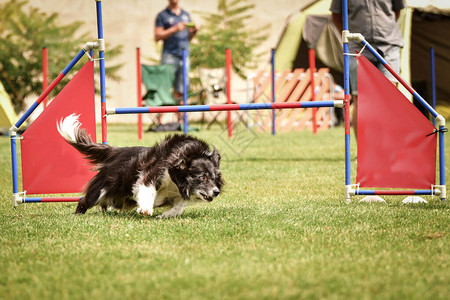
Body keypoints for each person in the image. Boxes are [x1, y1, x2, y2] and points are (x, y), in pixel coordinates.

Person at [330, 0, 405, 139]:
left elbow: (397, 11)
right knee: (361, 100)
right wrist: (351, 39)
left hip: (388, 45)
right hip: (358, 48)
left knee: (391, 98)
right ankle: (364, 155)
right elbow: (335, 16)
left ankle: (389, 148)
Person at [155, 0, 199, 105]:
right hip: (169, 55)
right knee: (164, 87)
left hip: (184, 55)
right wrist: (174, 28)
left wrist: (194, 32)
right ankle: (160, 120)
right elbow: (157, 36)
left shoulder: (186, 14)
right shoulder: (162, 15)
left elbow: (188, 38)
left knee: (181, 89)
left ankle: (181, 120)